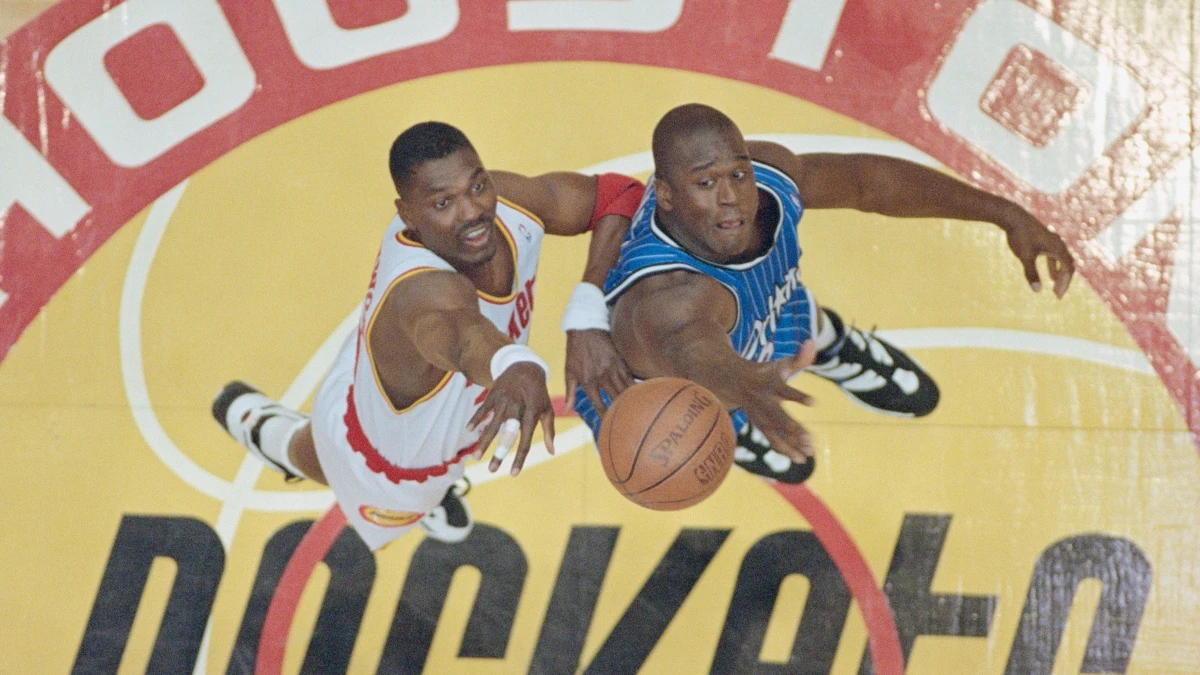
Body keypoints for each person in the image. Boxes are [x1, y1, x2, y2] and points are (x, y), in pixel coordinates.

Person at [574, 103, 1075, 484]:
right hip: (667, 388)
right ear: (665, 195)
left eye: (737, 174)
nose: (731, 196)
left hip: (759, 323)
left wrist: (1004, 213)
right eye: (705, 182)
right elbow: (694, 350)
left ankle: (826, 341)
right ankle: (734, 417)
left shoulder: (770, 180)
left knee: (785, 306)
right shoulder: (663, 300)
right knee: (695, 424)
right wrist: (747, 390)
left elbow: (865, 183)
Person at [213, 121, 641, 550]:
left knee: (435, 412)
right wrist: (515, 363)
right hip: (390, 463)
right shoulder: (423, 293)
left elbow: (620, 196)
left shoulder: (508, 205)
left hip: (391, 374)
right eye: (443, 203)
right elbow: (461, 336)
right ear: (408, 215)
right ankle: (266, 432)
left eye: (477, 186)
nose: (472, 211)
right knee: (318, 453)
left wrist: (587, 308)